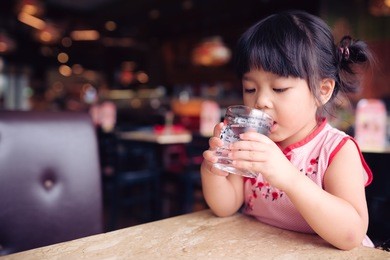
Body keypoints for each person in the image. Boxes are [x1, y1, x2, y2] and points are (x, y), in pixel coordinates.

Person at [201, 10, 375, 250]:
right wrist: (214, 170)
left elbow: (351, 235)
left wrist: (288, 177)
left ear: (322, 91)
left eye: (279, 89)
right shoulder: (253, 143)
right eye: (250, 89)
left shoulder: (337, 150)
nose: (261, 101)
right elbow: (225, 206)